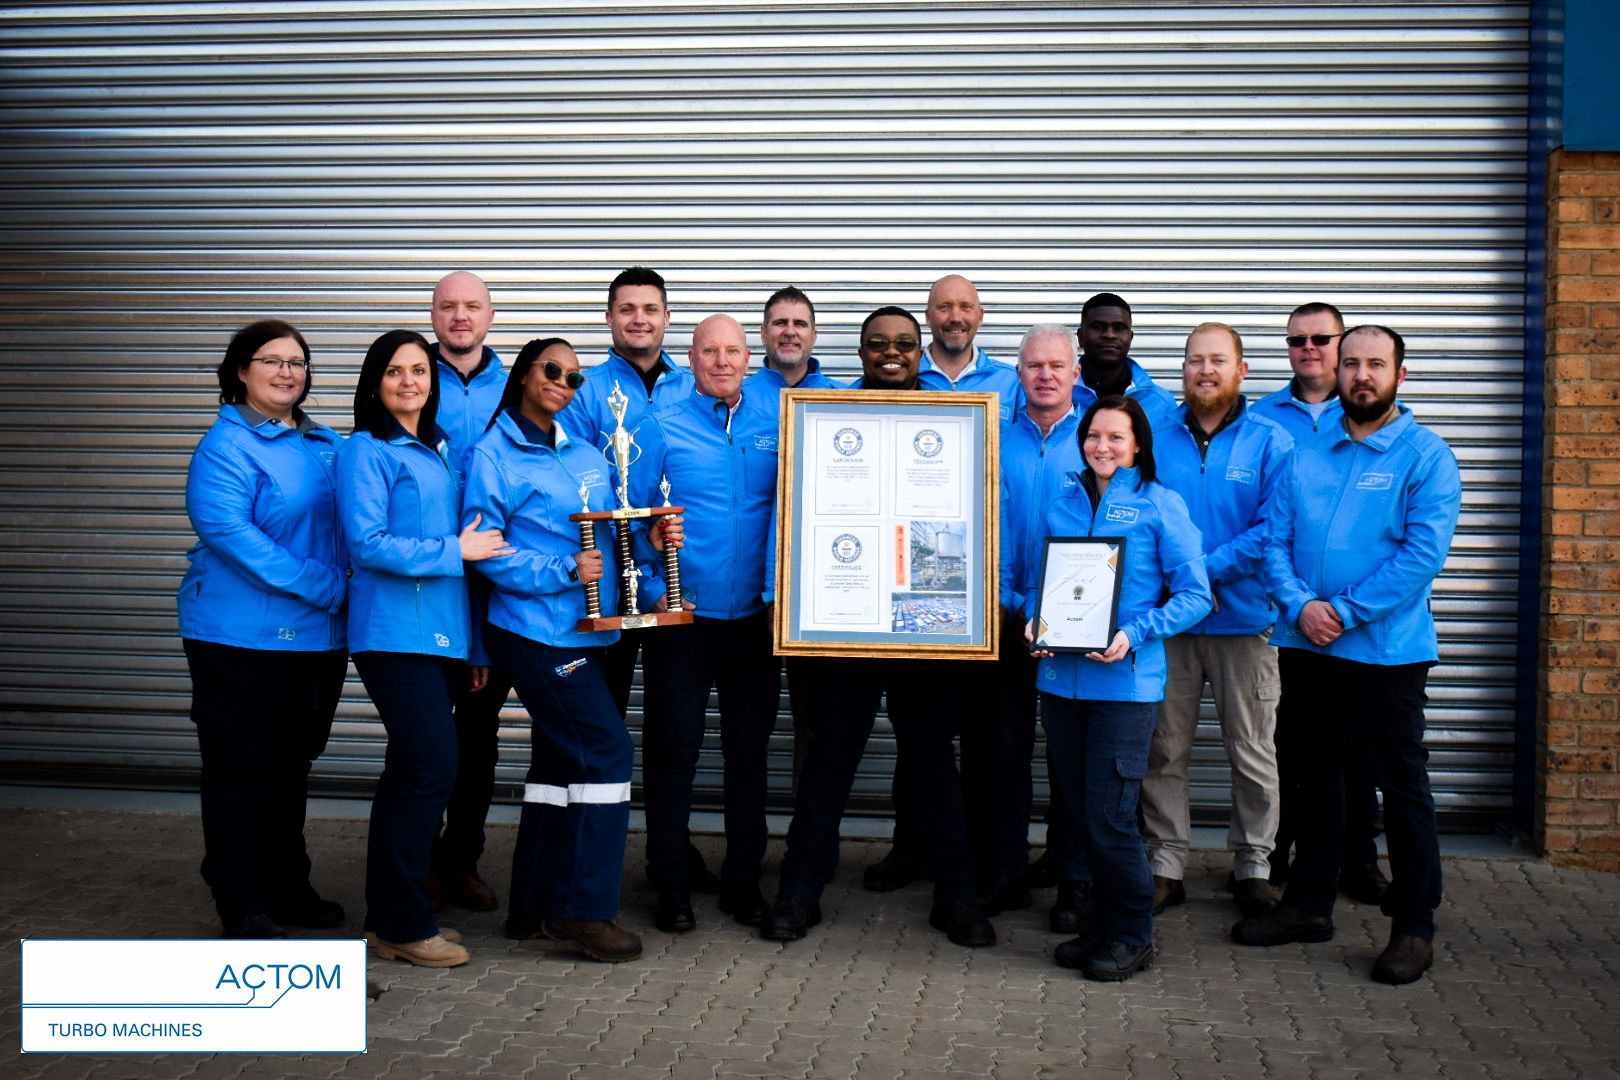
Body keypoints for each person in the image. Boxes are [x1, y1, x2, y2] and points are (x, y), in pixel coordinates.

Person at [1234, 325, 1461, 986]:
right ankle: (1308, 905)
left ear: (1399, 375)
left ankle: (1414, 924)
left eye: (1376, 364)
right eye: (1352, 363)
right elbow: (1274, 541)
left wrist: (1345, 611)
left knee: (1402, 785)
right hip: (1307, 644)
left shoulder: (1426, 456)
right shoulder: (1306, 453)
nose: (1362, 375)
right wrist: (1301, 606)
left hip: (1387, 653)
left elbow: (1421, 556)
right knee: (1312, 778)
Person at [762, 306, 994, 949]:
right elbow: (794, 509)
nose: (891, 353)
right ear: (861, 352)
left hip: (929, 621)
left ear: (920, 352)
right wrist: (789, 600)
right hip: (845, 621)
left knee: (933, 760)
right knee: (830, 757)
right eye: (877, 344)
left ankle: (956, 897)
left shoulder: (957, 419)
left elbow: (976, 518)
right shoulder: (825, 416)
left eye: (904, 344)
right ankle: (800, 891)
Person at [462, 337, 681, 963]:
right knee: (606, 752)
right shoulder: (493, 454)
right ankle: (584, 911)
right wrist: (561, 570)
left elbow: (611, 537)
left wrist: (655, 544)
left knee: (560, 764)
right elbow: (485, 551)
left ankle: (532, 908)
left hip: (591, 630)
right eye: (553, 370)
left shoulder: (585, 452)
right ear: (524, 375)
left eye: (575, 377)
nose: (564, 382)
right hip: (534, 630)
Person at [336, 329, 511, 967]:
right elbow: (368, 544)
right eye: (394, 371)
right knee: (433, 767)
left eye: (419, 370)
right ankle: (405, 926)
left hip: (441, 635)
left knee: (411, 771)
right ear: (374, 382)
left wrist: (473, 646)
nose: (409, 381)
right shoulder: (365, 450)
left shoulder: (438, 449)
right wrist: (453, 550)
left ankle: (390, 918)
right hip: (392, 634)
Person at [1022, 395, 1211, 982]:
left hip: (1123, 688)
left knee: (1111, 817)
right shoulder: (1063, 502)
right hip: (1061, 685)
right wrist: (1034, 622)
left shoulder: (1160, 504)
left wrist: (1135, 633)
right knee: (1081, 816)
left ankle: (1133, 934)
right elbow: (1039, 584)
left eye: (1115, 437)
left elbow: (1196, 595)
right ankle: (1101, 926)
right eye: (1093, 435)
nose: (1101, 447)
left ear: (1137, 446)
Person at [178, 319, 349, 939]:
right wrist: (327, 585)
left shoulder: (323, 443)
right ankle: (242, 901)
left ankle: (287, 888)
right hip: (240, 639)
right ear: (240, 371)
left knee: (289, 767)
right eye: (272, 360)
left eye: (297, 362)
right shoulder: (226, 446)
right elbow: (231, 534)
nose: (286, 372)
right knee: (242, 771)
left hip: (315, 638)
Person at [558, 266, 715, 891]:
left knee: (673, 733)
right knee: (601, 728)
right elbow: (571, 479)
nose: (639, 319)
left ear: (667, 317)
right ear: (609, 318)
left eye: (650, 309)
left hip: (673, 584)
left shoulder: (693, 384)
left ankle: (668, 860)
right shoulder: (586, 389)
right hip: (606, 587)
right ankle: (586, 866)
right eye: (627, 309)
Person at [867, 274, 1021, 895]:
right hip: (905, 577)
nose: (954, 316)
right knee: (920, 736)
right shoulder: (902, 379)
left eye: (965, 306)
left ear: (980, 315)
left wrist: (1003, 590)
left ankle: (978, 860)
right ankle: (911, 848)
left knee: (977, 737)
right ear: (929, 317)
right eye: (943, 307)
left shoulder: (1011, 384)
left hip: (980, 590)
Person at [1140, 323, 1292, 921]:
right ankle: (1165, 865)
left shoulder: (1271, 441)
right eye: (1195, 360)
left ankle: (1253, 867)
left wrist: (1199, 573)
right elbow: (1141, 512)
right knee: (1163, 750)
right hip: (1171, 627)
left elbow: (1274, 528)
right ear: (1182, 369)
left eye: (1218, 360)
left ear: (1241, 370)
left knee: (1252, 751)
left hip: (1244, 623)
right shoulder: (1156, 436)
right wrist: (1179, 584)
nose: (1205, 371)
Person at [638, 315, 782, 933]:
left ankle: (743, 880)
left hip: (754, 620)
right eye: (709, 351)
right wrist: (657, 591)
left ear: (749, 359)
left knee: (749, 752)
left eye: (732, 351)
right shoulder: (659, 426)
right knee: (674, 751)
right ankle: (670, 880)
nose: (722, 361)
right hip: (684, 620)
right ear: (691, 359)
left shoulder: (776, 424)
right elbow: (631, 518)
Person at [1255, 302, 1388, 905]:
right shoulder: (1263, 418)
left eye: (1320, 339)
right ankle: (1285, 852)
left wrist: (1347, 610)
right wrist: (1297, 603)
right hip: (1288, 618)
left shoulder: (1368, 413)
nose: (1308, 349)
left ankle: (1359, 860)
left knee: (1359, 751)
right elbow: (1269, 527)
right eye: (1296, 340)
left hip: (1362, 625)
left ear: (1342, 347)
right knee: (1294, 745)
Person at [984, 324, 1085, 924]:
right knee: (1003, 752)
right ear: (1017, 374)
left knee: (1070, 757)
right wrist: (1009, 603)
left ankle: (1074, 878)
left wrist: (1056, 610)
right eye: (1033, 366)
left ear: (1075, 373)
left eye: (1056, 365)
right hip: (1005, 619)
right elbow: (978, 525)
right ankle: (1006, 872)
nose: (1045, 375)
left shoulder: (1098, 438)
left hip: (1073, 626)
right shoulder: (992, 438)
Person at [425, 270, 509, 913]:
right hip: (425, 579)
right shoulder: (409, 377)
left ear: (489, 316)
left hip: (496, 583)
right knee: (424, 736)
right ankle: (418, 861)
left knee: (479, 736)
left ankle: (463, 859)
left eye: (472, 306)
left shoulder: (515, 385)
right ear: (434, 315)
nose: (460, 316)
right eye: (449, 306)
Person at [1073, 293, 1177, 428]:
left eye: (1120, 328)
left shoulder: (1161, 404)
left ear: (1130, 338)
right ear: (1080, 336)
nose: (1109, 335)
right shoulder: (1059, 396)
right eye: (1098, 326)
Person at [744, 286, 841, 398]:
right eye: (780, 323)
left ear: (813, 337)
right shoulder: (737, 398)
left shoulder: (844, 398)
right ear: (764, 334)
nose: (790, 332)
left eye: (800, 324)